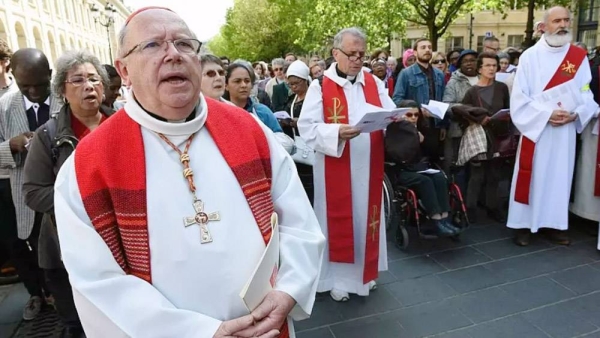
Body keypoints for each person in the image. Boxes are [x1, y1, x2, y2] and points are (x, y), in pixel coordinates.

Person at [53, 7, 324, 337]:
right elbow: (96, 280)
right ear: (124, 70)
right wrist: (198, 332)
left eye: (184, 44)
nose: (173, 54)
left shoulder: (249, 131)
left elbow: (298, 221)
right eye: (153, 45)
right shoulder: (87, 167)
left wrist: (289, 290)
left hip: (265, 326)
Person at [298, 27, 395, 302]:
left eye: (361, 54)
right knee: (340, 221)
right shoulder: (319, 86)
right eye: (351, 53)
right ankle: (339, 279)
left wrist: (398, 117)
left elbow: (387, 109)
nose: (357, 59)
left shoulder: (373, 83)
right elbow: (307, 127)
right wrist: (337, 133)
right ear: (335, 53)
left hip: (369, 164)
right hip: (336, 167)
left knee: (367, 219)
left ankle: (366, 273)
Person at [23, 50, 114, 338]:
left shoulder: (124, 126)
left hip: (120, 247)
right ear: (62, 89)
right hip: (67, 251)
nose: (89, 86)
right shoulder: (48, 136)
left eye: (94, 79)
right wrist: (83, 200)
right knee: (78, 325)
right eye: (78, 80)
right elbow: (33, 192)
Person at [508, 6, 599, 246]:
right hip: (536, 129)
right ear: (544, 26)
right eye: (557, 20)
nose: (563, 25)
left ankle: (553, 224)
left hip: (564, 131)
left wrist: (577, 113)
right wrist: (546, 114)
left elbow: (585, 92)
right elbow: (519, 97)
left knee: (559, 177)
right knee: (531, 175)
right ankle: (523, 225)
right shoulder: (529, 57)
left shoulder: (577, 58)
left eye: (566, 20)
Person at [0, 48, 63, 321]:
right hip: (19, 193)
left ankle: (62, 296)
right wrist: (9, 147)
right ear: (14, 77)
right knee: (20, 244)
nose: (35, 92)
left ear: (50, 75)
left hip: (59, 191)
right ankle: (36, 294)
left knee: (59, 249)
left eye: (40, 84)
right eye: (26, 86)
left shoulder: (66, 98)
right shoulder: (4, 107)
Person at [385, 100, 458, 236]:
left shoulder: (421, 128)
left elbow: (433, 151)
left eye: (416, 115)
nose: (413, 118)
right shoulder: (393, 131)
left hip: (420, 166)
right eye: (409, 114)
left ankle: (444, 217)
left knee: (439, 177)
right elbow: (397, 155)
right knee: (425, 181)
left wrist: (424, 139)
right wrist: (412, 137)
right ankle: (436, 219)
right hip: (401, 170)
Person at [458, 52, 512, 223]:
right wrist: (478, 118)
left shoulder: (502, 87)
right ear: (479, 68)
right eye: (487, 65)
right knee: (477, 175)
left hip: (498, 136)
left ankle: (492, 207)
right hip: (481, 138)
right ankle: (470, 209)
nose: (491, 69)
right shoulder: (472, 91)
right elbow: (461, 112)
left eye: (494, 65)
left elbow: (508, 108)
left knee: (495, 174)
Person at [279, 60, 314, 204]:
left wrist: (299, 122)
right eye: (290, 84)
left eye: (296, 83)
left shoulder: (314, 98)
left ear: (305, 80)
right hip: (297, 149)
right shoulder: (292, 99)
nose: (293, 87)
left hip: (311, 148)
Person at [0, 38, 18, 284]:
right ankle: (34, 293)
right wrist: (9, 147)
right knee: (10, 240)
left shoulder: (22, 91)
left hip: (22, 177)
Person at [225, 62, 283, 133]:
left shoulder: (263, 112)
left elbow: (280, 138)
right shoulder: (220, 115)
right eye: (237, 81)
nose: (243, 85)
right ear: (226, 85)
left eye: (247, 81)